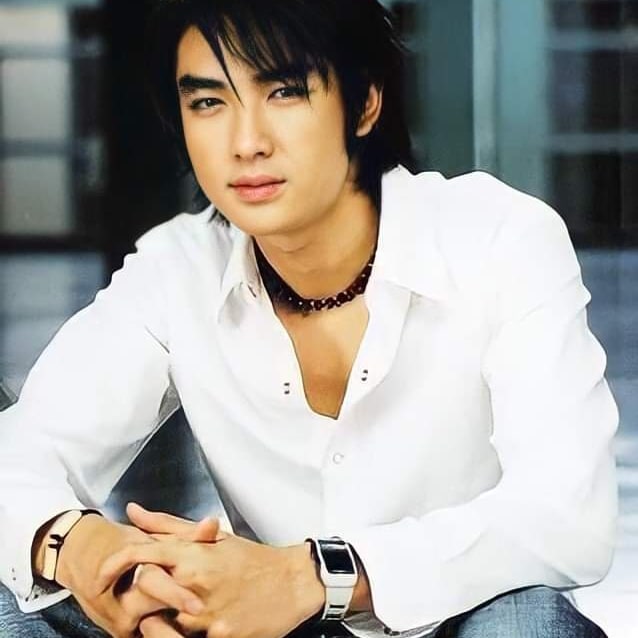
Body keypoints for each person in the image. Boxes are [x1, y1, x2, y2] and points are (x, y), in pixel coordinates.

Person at [0, 1, 619, 637]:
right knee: (14, 596)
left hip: (453, 624)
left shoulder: (499, 240)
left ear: (365, 101)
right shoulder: (177, 269)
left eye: (285, 92)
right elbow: (19, 454)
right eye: (209, 102)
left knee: (522, 620)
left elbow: (568, 515)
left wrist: (313, 576)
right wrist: (82, 550)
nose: (246, 143)